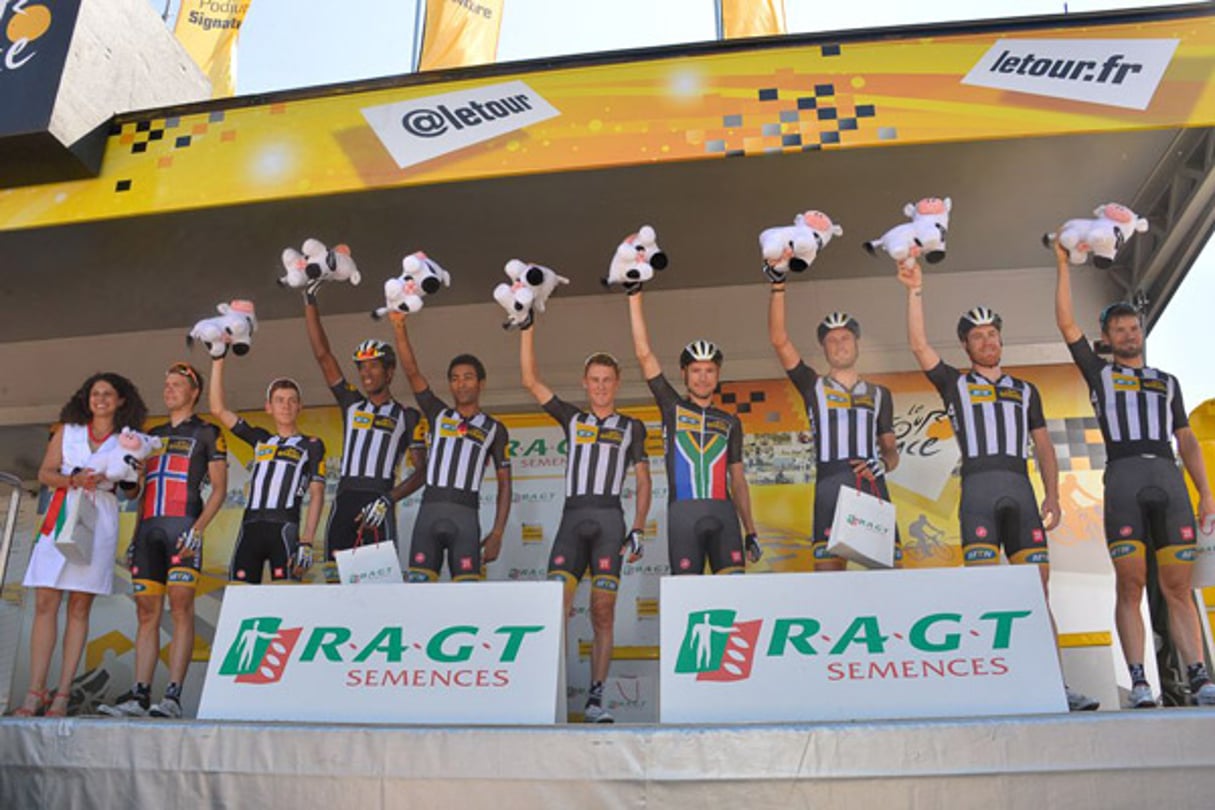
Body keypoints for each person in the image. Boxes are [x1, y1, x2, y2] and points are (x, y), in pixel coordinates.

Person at [898, 258, 1098, 711]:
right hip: (979, 491)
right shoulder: (954, 383)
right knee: (984, 591)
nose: (987, 340)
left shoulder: (1027, 390)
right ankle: (992, 683)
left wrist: (1053, 492)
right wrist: (914, 289)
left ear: (1000, 340)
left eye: (992, 334)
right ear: (966, 345)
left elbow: (1044, 446)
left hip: (1021, 489)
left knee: (1037, 590)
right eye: (977, 335)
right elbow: (918, 344)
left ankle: (1055, 684)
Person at [1053, 240, 1215, 707]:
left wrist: (1204, 491)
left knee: (1179, 587)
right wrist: (1063, 265)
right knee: (1130, 582)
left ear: (1141, 331)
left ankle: (1198, 675)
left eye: (1132, 327)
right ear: (1107, 336)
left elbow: (1185, 439)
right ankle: (1140, 678)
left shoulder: (1168, 382)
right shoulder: (1099, 373)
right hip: (1123, 477)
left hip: (1168, 478)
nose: (1127, 334)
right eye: (1118, 329)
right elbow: (1066, 323)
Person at [519, 324, 652, 723]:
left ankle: (595, 698)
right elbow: (529, 380)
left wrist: (640, 526)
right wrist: (526, 326)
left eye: (607, 380)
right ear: (584, 383)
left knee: (603, 612)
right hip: (572, 521)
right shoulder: (572, 419)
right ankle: (545, 693)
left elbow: (644, 481)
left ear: (617, 383)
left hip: (610, 521)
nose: (600, 387)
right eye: (594, 380)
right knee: (553, 609)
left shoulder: (632, 427)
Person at [99, 363, 227, 719]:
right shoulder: (148, 436)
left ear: (194, 391)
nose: (168, 390)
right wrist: (129, 479)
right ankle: (139, 695)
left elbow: (219, 489)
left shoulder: (207, 432)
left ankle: (172, 695)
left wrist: (198, 530)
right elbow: (135, 491)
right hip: (149, 531)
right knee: (146, 613)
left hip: (183, 528)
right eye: (166, 384)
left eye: (176, 385)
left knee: (182, 607)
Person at [16, 373, 148, 717]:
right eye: (94, 393)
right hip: (63, 511)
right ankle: (35, 692)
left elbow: (132, 492)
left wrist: (137, 473)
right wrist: (72, 479)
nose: (100, 398)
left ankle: (62, 695)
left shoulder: (127, 440)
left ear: (122, 400)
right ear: (86, 398)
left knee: (79, 607)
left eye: (108, 394)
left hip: (99, 516)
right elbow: (45, 473)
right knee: (46, 600)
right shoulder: (68, 430)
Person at [767, 273, 900, 571]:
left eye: (846, 338)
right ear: (824, 349)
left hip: (872, 482)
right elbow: (779, 340)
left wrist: (885, 464)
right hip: (830, 484)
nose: (840, 344)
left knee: (891, 577)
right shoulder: (812, 385)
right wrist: (778, 284)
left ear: (857, 343)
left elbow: (891, 450)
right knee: (829, 579)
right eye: (832, 340)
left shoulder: (881, 394)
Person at [627, 288, 760, 575]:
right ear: (684, 374)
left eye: (709, 370)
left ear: (718, 375)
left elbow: (737, 480)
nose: (702, 377)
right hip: (683, 515)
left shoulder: (730, 421)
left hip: (724, 515)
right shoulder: (672, 408)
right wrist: (634, 294)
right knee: (688, 599)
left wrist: (750, 530)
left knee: (735, 598)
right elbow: (643, 354)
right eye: (696, 370)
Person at [304, 288, 426, 581]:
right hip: (344, 499)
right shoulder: (351, 404)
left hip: (378, 499)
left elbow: (423, 472)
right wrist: (309, 301)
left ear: (390, 371)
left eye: (373, 366)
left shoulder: (407, 416)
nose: (366, 373)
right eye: (361, 367)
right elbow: (323, 356)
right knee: (335, 582)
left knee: (379, 586)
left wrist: (389, 499)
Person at [388, 311, 511, 581]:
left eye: (467, 377)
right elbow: (412, 372)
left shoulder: (495, 429)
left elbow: (505, 485)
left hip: (466, 518)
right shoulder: (438, 413)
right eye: (454, 378)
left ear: (481, 383)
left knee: (466, 597)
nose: (461, 383)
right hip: (429, 514)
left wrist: (498, 532)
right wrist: (399, 327)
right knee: (419, 594)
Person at [208, 357, 325, 584]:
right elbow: (218, 409)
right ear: (268, 407)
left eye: (292, 401)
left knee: (286, 597)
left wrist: (307, 540)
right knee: (239, 595)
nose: (286, 406)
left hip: (284, 528)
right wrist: (218, 358)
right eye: (279, 400)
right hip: (250, 528)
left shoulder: (311, 445)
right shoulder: (261, 439)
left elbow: (317, 493)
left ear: (300, 407)